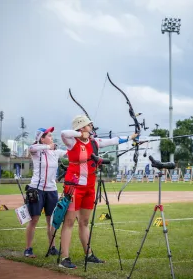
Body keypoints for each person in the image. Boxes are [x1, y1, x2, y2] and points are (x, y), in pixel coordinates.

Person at [58, 115, 138, 269]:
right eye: (89, 125)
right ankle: (64, 258)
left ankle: (88, 254)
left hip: (89, 186)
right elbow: (64, 133)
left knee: (85, 221)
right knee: (69, 222)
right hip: (74, 186)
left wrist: (131, 137)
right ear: (81, 127)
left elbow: (113, 141)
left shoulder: (94, 142)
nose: (91, 127)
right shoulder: (72, 141)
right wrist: (80, 134)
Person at [24, 127, 67, 258]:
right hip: (36, 189)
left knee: (52, 220)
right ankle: (28, 249)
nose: (51, 138)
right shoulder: (37, 151)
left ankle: (52, 247)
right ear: (41, 138)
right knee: (34, 219)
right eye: (48, 136)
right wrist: (48, 147)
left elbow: (69, 153)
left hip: (51, 190)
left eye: (51, 136)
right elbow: (32, 148)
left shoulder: (55, 152)